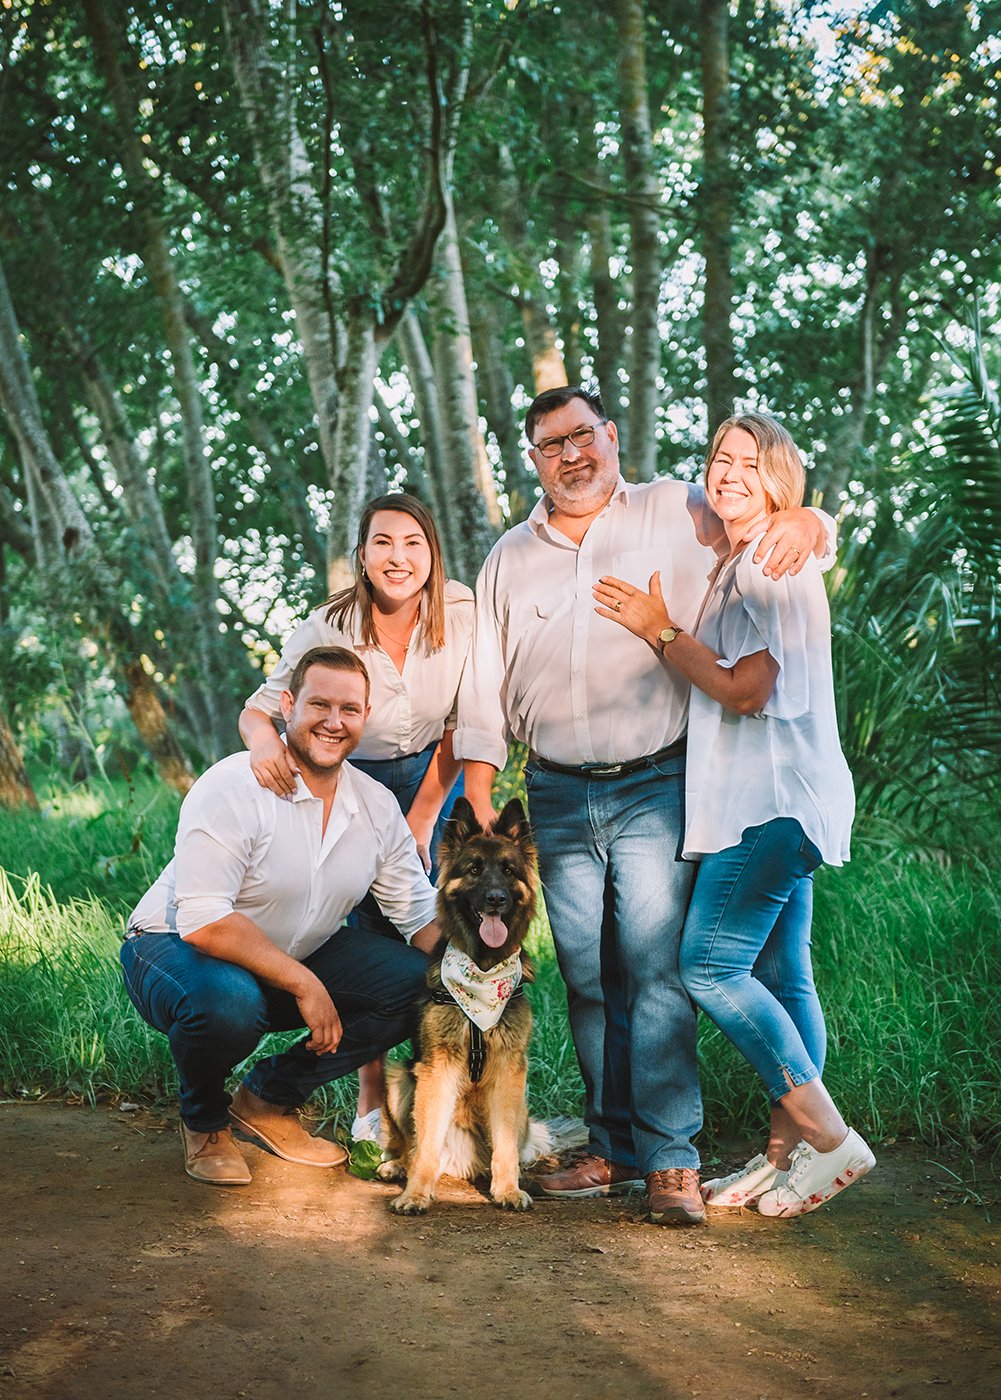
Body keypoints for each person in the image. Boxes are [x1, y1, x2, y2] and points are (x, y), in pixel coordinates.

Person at [455, 384, 836, 1225]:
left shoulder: (675, 508)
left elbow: (766, 510)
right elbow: (481, 683)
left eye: (582, 436)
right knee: (589, 978)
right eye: (551, 445)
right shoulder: (508, 557)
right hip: (551, 789)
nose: (571, 456)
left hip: (655, 784)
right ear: (534, 458)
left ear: (610, 435)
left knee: (660, 972)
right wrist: (480, 786)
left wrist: (815, 523)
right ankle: (614, 1149)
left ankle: (670, 1158)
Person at [594, 412, 874, 1217]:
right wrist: (811, 520)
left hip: (770, 804)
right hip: (784, 800)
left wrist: (660, 632)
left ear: (777, 480)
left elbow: (747, 692)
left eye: (748, 463)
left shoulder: (765, 560)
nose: (727, 473)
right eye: (719, 458)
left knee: (708, 967)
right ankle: (785, 1160)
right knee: (784, 978)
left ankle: (829, 1139)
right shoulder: (747, 557)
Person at [121, 647, 441, 1188]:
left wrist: (482, 969)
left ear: (366, 716)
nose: (334, 722)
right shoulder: (232, 785)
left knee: (424, 983)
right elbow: (203, 921)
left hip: (290, 953)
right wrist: (305, 983)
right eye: (319, 704)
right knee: (228, 1003)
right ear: (288, 705)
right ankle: (205, 1122)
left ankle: (266, 1101)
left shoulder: (376, 805)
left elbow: (416, 912)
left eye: (350, 709)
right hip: (174, 950)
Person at [239, 494, 472, 1142]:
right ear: (362, 555)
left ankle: (443, 1094)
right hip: (352, 777)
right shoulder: (328, 624)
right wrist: (264, 746)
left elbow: (466, 720)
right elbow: (260, 711)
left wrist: (425, 813)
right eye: (383, 543)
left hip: (434, 776)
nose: (398, 558)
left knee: (433, 925)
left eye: (412, 543)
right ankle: (372, 1106)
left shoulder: (460, 610)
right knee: (369, 936)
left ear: (432, 551)